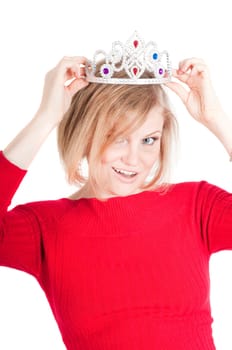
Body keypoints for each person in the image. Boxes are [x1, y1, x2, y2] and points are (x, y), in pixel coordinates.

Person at [0, 32, 232, 349]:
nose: (134, 159)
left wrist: (217, 119)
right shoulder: (45, 227)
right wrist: (45, 118)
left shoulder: (197, 206)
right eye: (118, 137)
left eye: (148, 140)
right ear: (84, 133)